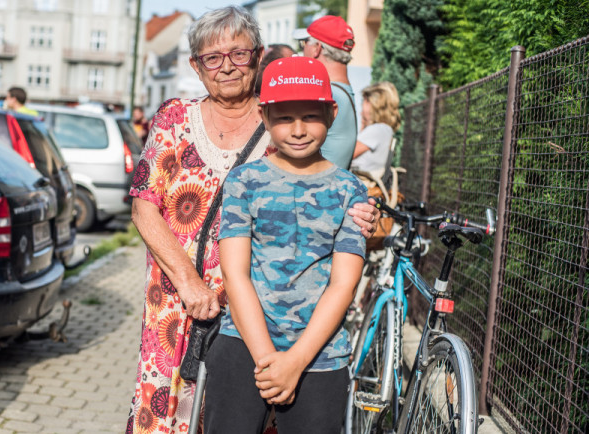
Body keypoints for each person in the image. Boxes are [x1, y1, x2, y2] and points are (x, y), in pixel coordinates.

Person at [126, 7, 379, 434]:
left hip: (257, 316)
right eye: (212, 57)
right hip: (177, 303)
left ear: (258, 56)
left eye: (238, 54)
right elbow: (143, 205)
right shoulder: (173, 119)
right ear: (196, 65)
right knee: (166, 415)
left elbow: (328, 193)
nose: (226, 66)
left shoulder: (281, 122)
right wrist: (189, 283)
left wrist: (362, 216)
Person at [204, 56, 365, 434]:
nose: (297, 130)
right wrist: (268, 361)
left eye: (310, 116)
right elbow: (235, 274)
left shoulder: (351, 191)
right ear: (264, 117)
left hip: (320, 356)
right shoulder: (244, 182)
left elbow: (343, 284)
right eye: (283, 118)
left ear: (331, 112)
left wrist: (295, 362)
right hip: (243, 344)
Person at [294, 15, 357, 170]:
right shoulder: (342, 91)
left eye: (304, 43)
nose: (302, 49)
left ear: (317, 48)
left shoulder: (328, 94)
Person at [352, 81, 401, 174]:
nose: (362, 107)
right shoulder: (385, 129)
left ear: (374, 103)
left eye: (365, 101)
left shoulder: (377, 129)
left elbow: (346, 155)